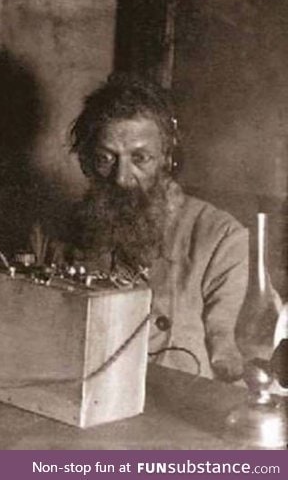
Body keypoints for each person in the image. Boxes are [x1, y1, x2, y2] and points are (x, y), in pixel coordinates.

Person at [60, 74, 249, 381]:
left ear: (167, 156)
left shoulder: (221, 238)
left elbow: (230, 351)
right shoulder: (62, 230)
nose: (122, 177)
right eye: (106, 159)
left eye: (140, 158)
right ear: (87, 160)